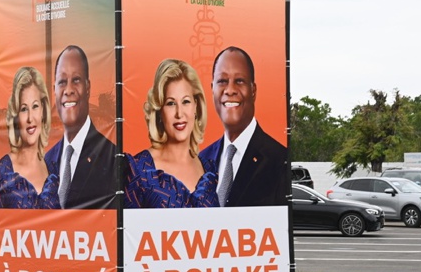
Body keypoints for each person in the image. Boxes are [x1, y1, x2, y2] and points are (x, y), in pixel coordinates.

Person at [199, 47, 288, 207]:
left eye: (239, 81)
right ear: (212, 89)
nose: (230, 90)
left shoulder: (280, 161)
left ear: (253, 90)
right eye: (222, 81)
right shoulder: (201, 161)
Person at [124, 59, 219, 208]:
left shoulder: (211, 169)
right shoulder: (139, 170)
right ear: (159, 111)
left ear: (196, 106)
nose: (179, 113)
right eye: (171, 103)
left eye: (186, 101)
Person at [45, 45, 116, 209]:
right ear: (54, 90)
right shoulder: (47, 161)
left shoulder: (111, 158)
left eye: (76, 80)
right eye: (62, 82)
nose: (68, 90)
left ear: (88, 87)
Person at [0, 67, 60, 209]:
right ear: (16, 116)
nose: (30, 118)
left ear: (43, 110)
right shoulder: (0, 171)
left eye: (35, 106)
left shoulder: (55, 169)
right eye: (23, 109)